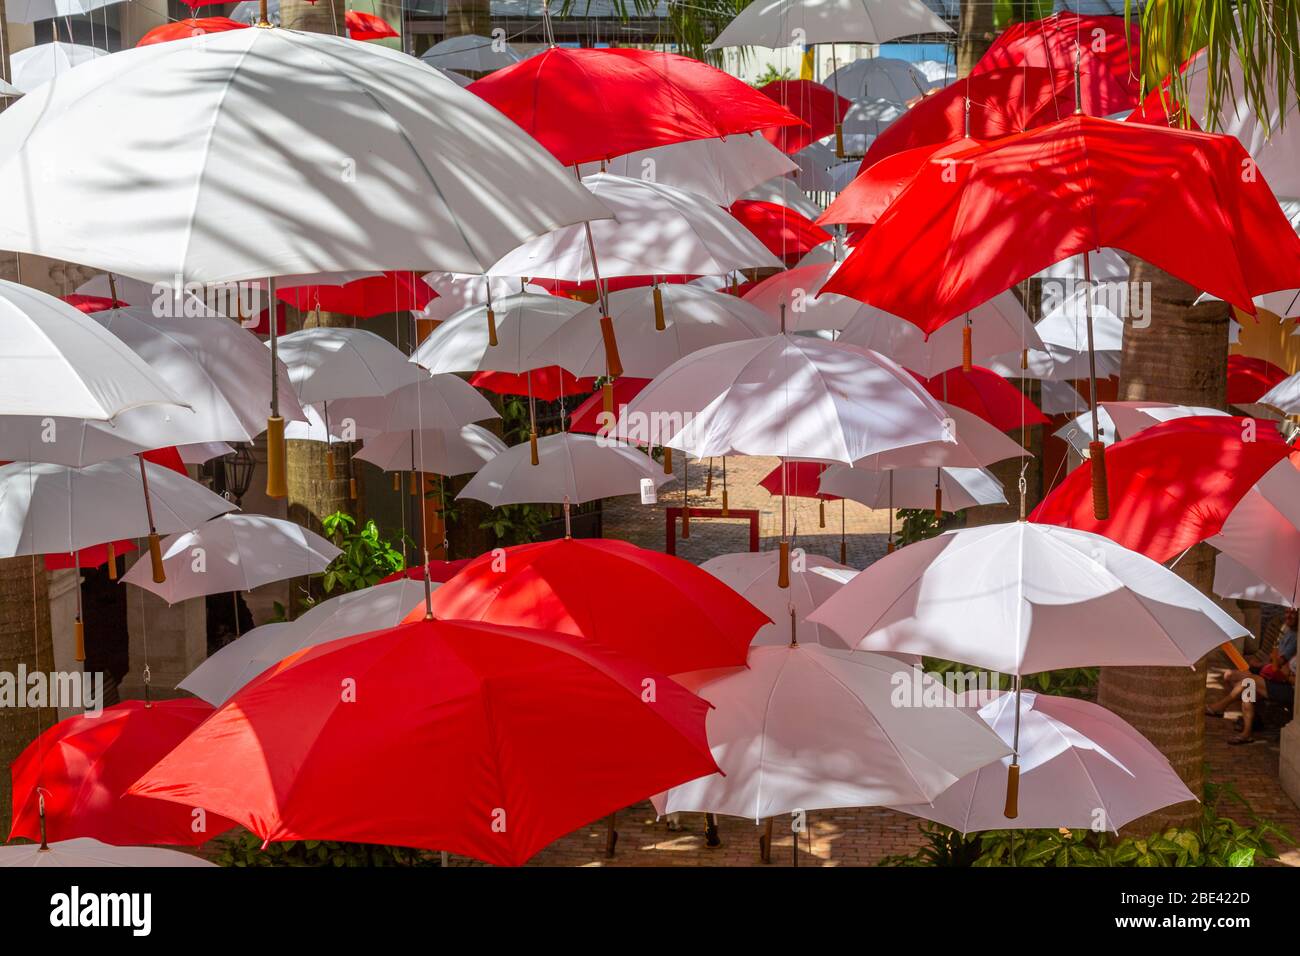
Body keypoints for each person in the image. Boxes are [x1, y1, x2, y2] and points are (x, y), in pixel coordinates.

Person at [1208, 631, 1296, 745]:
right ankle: (1246, 733)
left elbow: (1284, 672)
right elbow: (1282, 667)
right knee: (1248, 691)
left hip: (1290, 690)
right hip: (1276, 679)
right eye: (1288, 612)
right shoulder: (1291, 642)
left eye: (1293, 613)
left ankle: (1220, 706)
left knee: (1250, 682)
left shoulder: (1294, 641)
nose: (1289, 615)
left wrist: (1284, 672)